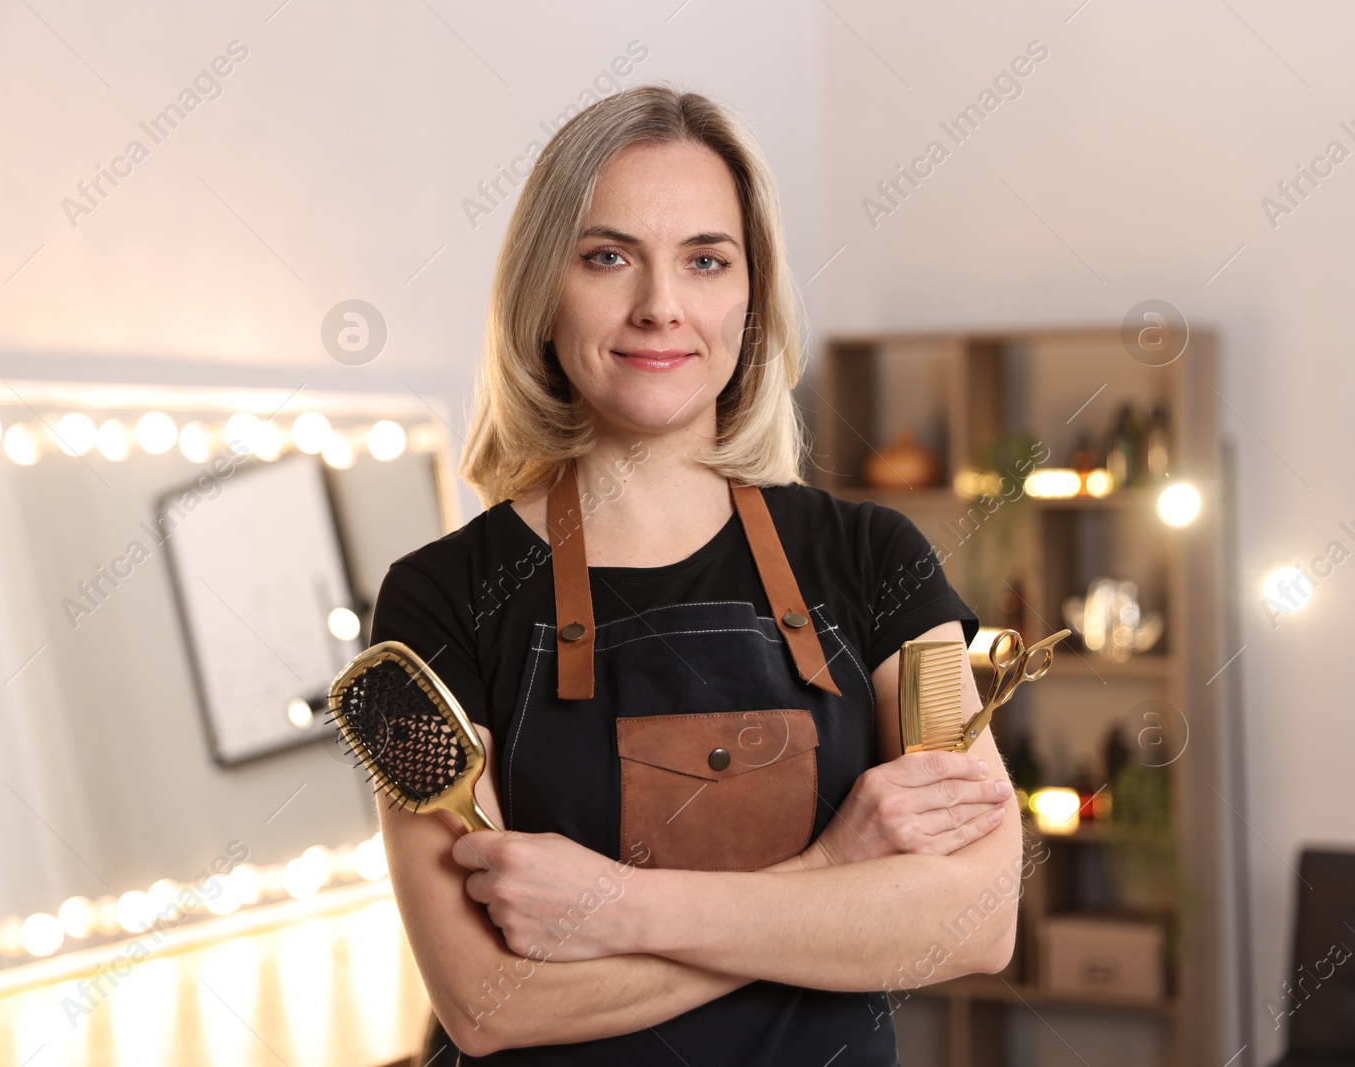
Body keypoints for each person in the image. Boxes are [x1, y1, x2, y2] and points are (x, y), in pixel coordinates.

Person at [368, 83, 1022, 1066]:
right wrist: (836, 873)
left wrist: (614, 908)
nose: (659, 307)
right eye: (607, 257)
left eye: (705, 260)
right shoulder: (431, 600)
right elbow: (488, 1002)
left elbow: (974, 916)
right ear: (542, 292)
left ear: (750, 300)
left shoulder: (877, 561)